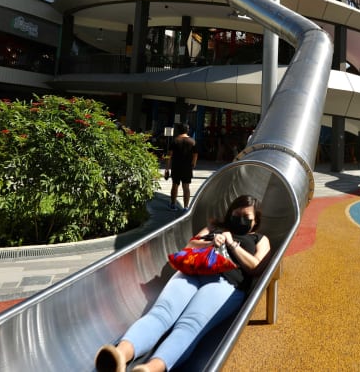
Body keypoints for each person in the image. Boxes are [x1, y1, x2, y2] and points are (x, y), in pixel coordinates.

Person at [94, 195, 271, 372]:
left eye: (245, 218)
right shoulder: (215, 227)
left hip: (225, 282)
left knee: (190, 325)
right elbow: (190, 246)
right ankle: (119, 355)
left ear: (255, 222)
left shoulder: (259, 239)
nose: (239, 220)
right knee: (161, 313)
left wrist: (232, 244)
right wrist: (211, 241)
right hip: (193, 271)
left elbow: (256, 266)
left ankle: (151, 369)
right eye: (236, 214)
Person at [165, 124, 198, 210]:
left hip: (176, 166)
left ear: (179, 130)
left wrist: (167, 169)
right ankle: (186, 207)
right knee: (186, 187)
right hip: (187, 167)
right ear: (187, 130)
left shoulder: (175, 140)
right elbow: (195, 155)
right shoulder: (192, 141)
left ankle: (173, 205)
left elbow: (169, 156)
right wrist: (193, 164)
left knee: (175, 185)